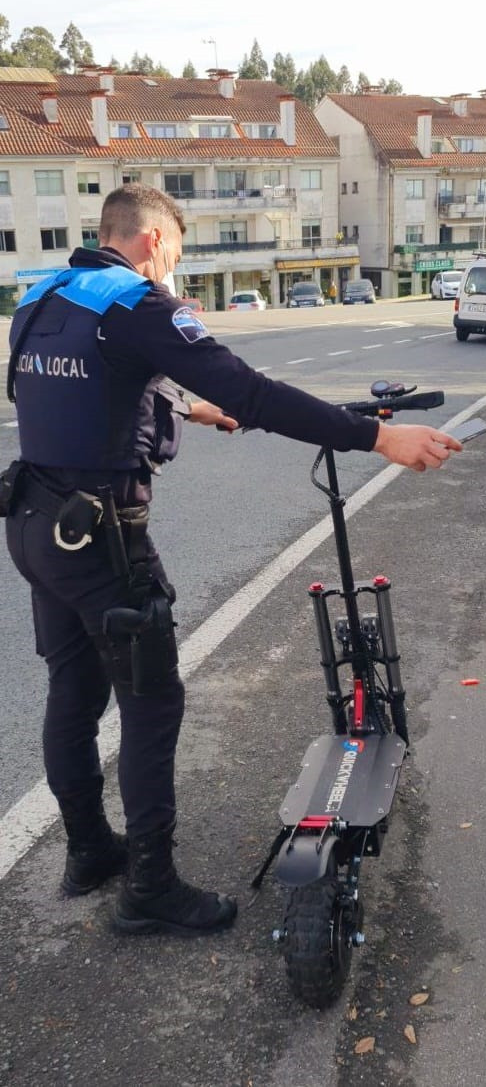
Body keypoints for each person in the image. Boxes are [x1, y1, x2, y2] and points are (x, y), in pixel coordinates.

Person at [2, 184, 461, 937]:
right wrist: (374, 436)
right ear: (153, 241)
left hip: (34, 527)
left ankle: (88, 851)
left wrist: (185, 407)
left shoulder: (41, 300)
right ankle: (149, 888)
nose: (173, 267)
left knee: (72, 690)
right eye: (175, 253)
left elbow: (81, 393)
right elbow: (248, 386)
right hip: (104, 539)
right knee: (151, 704)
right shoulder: (137, 305)